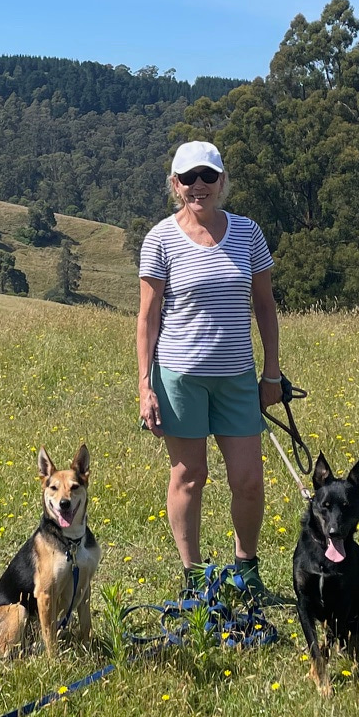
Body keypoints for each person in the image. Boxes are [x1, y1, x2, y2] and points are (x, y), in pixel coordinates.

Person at [136, 139, 283, 597]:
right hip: (179, 378)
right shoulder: (160, 238)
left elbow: (265, 305)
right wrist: (145, 386)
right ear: (175, 185)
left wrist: (272, 372)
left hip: (237, 376)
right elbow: (147, 316)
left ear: (222, 181)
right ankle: (194, 575)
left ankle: (246, 567)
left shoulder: (248, 233)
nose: (198, 186)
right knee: (188, 476)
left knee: (248, 479)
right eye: (188, 178)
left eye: (208, 177)